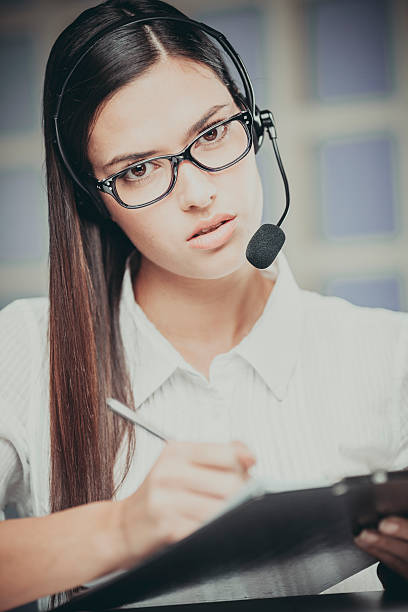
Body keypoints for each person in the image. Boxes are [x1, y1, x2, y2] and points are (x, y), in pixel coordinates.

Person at [0, 0, 408, 609]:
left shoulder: (388, 354)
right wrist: (121, 528)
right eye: (138, 169)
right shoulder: (23, 350)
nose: (196, 191)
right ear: (95, 201)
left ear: (255, 126)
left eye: (213, 134)